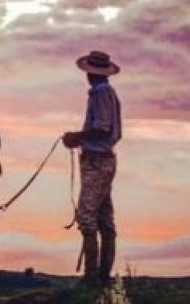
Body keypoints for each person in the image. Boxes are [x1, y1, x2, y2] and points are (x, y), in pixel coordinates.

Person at [63, 51, 122, 286]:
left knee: (87, 217)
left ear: (89, 72)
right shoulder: (107, 92)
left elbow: (101, 128)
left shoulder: (99, 93)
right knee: (105, 218)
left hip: (96, 161)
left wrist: (76, 137)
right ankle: (103, 276)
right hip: (103, 159)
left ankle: (91, 278)